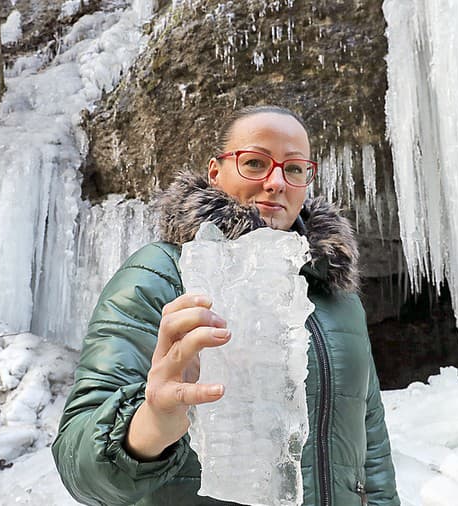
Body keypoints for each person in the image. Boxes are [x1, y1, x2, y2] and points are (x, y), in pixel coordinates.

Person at [52, 105, 399, 506]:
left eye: (295, 169)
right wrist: (152, 424)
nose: (275, 182)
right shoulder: (162, 274)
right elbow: (79, 466)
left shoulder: (337, 295)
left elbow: (370, 445)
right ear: (216, 172)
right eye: (255, 163)